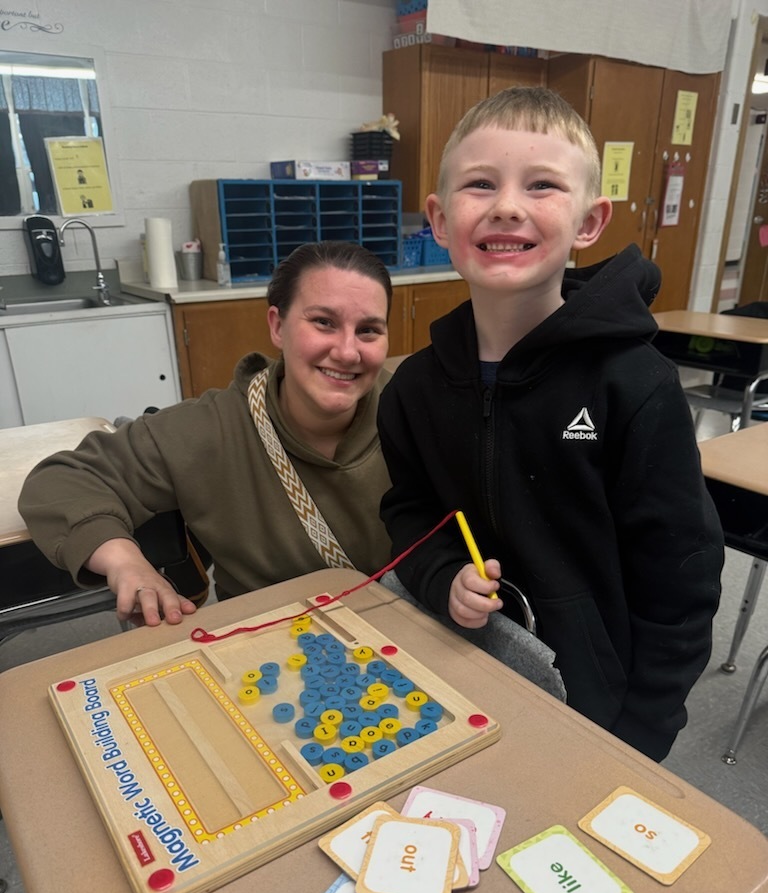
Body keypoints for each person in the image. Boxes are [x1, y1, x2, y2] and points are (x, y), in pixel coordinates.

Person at [377, 86, 724, 762]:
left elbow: (679, 574)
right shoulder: (413, 388)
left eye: (541, 185)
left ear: (590, 222)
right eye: (480, 184)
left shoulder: (635, 383)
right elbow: (411, 513)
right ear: (441, 221)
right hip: (458, 675)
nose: (507, 205)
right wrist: (442, 574)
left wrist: (643, 733)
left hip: (595, 709)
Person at [19, 241, 393, 627]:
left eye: (368, 330)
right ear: (278, 326)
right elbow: (61, 480)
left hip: (405, 628)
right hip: (268, 641)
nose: (348, 352)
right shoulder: (209, 429)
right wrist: (126, 563)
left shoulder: (414, 411)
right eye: (324, 322)